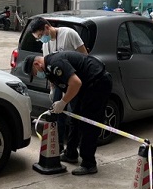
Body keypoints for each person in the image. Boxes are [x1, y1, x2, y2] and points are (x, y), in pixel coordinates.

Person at [24, 51, 112, 175]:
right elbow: (66, 84)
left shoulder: (55, 63)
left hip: (97, 82)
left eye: (34, 72)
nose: (37, 75)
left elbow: (76, 83)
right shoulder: (49, 69)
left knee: (88, 124)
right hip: (86, 86)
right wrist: (59, 99)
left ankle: (89, 164)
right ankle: (71, 154)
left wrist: (63, 102)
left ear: (37, 64)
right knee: (75, 119)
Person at [29, 17, 87, 151]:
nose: (41, 39)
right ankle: (59, 146)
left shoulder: (68, 34)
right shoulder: (46, 45)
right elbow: (48, 68)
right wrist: (52, 88)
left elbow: (84, 55)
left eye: (40, 35)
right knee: (57, 114)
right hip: (59, 84)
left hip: (74, 82)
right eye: (38, 38)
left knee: (74, 116)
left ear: (46, 27)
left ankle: (71, 150)